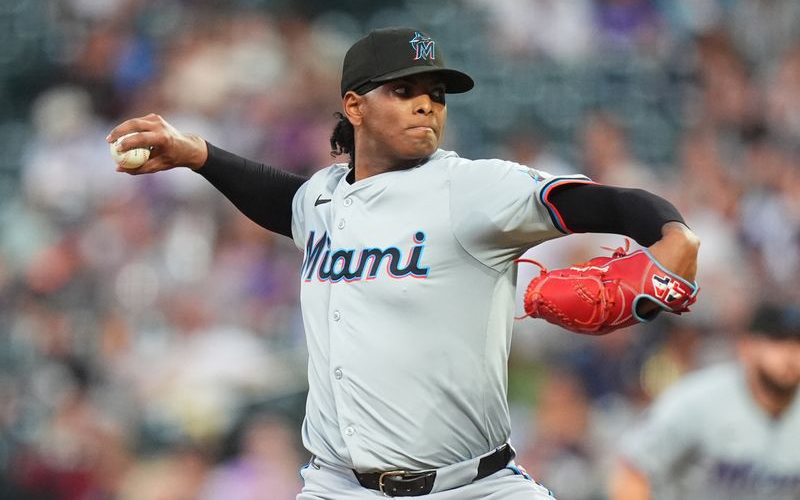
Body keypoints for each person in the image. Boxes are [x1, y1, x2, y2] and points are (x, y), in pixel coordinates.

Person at [107, 27, 700, 499]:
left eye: (436, 95)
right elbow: (281, 199)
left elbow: (606, 202)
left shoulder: (473, 188)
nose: (426, 106)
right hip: (337, 486)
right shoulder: (322, 196)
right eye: (405, 90)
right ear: (354, 105)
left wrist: (672, 237)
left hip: (475, 486)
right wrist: (197, 154)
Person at [609, 301, 800, 500]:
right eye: (778, 341)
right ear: (746, 347)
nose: (791, 354)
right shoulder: (695, 400)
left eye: (798, 343)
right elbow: (633, 468)